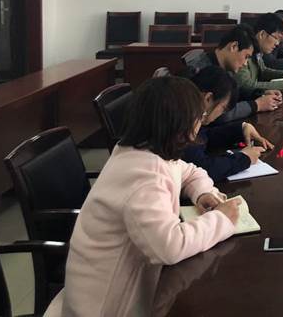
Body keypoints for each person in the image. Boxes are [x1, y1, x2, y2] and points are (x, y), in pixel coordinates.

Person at [45, 77, 240, 317]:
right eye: (199, 117)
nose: (200, 124)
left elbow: (190, 171)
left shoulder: (143, 151)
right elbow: (169, 247)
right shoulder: (144, 174)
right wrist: (222, 220)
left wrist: (202, 193)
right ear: (179, 124)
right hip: (105, 306)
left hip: (119, 286)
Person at [184, 65, 274, 181]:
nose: (221, 114)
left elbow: (204, 137)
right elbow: (203, 169)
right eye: (223, 108)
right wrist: (244, 158)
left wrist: (241, 129)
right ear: (208, 98)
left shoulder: (189, 110)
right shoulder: (182, 120)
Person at [184, 24, 281, 119]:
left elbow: (237, 93)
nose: (245, 64)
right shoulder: (202, 71)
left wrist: (261, 93)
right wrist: (257, 105)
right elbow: (217, 114)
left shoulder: (226, 69)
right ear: (234, 46)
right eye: (246, 57)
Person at [234, 12, 283, 97]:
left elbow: (263, 71)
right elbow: (246, 85)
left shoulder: (257, 50)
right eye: (276, 38)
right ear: (262, 34)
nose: (277, 43)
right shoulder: (244, 49)